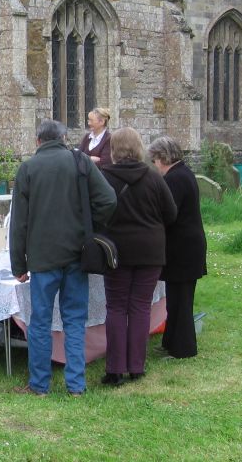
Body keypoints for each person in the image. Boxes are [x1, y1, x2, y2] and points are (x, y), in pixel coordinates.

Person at [10, 120, 117, 396]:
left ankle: (39, 384)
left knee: (40, 322)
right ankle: (76, 385)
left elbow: (18, 222)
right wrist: (87, 226)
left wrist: (18, 264)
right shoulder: (80, 161)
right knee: (74, 320)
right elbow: (108, 200)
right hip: (76, 253)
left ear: (38, 141)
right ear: (64, 138)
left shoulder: (28, 168)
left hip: (42, 257)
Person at [100, 128, 177, 386]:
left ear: (113, 149)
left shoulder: (104, 177)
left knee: (116, 307)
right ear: (139, 148)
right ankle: (136, 366)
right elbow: (171, 213)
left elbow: (95, 211)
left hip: (115, 251)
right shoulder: (153, 177)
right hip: (149, 250)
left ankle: (115, 368)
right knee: (140, 306)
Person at [148, 136, 207, 359]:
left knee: (181, 302)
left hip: (184, 249)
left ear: (163, 158)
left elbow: (168, 213)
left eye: (154, 159)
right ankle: (170, 342)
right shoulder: (181, 173)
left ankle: (184, 349)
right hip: (185, 246)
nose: (154, 165)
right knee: (174, 300)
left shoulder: (176, 178)